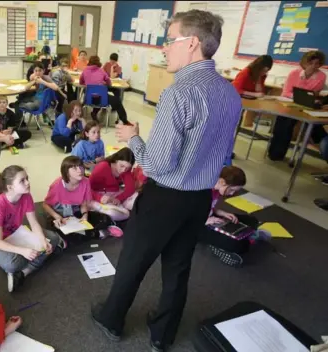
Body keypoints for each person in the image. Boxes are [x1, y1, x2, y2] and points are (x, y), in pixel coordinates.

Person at [91, 10, 241, 351]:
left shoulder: (179, 92)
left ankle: (111, 318)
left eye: (170, 40)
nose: (164, 49)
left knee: (133, 263)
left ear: (192, 44)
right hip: (199, 197)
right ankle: (163, 333)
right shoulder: (230, 93)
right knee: (178, 267)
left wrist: (132, 138)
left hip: (165, 198)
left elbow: (157, 165)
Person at [0, 165, 66, 292]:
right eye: (22, 180)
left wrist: (43, 240)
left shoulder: (26, 196)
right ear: (10, 187)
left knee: (52, 239)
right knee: (12, 264)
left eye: (27, 178)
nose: (28, 183)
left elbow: (34, 224)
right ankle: (25, 266)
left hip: (17, 233)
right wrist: (23, 251)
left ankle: (23, 273)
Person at [198, 166, 268, 268]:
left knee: (251, 220)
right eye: (231, 190)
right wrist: (205, 220)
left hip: (210, 217)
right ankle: (218, 246)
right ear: (222, 181)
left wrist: (222, 213)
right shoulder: (202, 189)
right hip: (196, 225)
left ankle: (245, 237)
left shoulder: (217, 190)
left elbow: (210, 206)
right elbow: (184, 214)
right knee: (241, 246)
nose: (231, 193)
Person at [43, 156, 119, 242]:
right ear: (66, 172)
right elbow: (45, 205)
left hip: (75, 213)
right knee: (64, 233)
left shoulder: (85, 182)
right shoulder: (57, 185)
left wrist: (85, 216)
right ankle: (97, 234)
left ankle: (93, 232)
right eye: (74, 168)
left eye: (81, 166)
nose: (80, 170)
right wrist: (57, 216)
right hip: (59, 214)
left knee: (105, 218)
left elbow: (84, 203)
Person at [268, 51, 327, 161]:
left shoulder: (321, 76)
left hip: (306, 106)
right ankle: (276, 154)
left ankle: (321, 147)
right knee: (284, 126)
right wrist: (303, 79)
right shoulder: (294, 73)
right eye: (311, 63)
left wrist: (308, 98)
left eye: (317, 64)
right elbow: (286, 92)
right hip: (289, 104)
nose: (314, 66)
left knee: (315, 126)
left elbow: (313, 94)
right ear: (305, 63)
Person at [89, 148, 137, 222]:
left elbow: (130, 188)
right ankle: (112, 210)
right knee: (114, 213)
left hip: (114, 194)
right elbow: (86, 189)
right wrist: (99, 198)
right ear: (116, 160)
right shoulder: (102, 167)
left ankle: (118, 209)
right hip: (98, 196)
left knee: (137, 197)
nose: (124, 170)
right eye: (122, 166)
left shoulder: (125, 170)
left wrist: (118, 198)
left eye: (127, 168)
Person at [80, 55, 129, 125]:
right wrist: (103, 82)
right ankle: (124, 120)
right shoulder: (101, 71)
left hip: (88, 99)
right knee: (117, 101)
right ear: (98, 62)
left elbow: (81, 82)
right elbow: (109, 83)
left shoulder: (85, 70)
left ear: (90, 62)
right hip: (101, 99)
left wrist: (88, 82)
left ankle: (94, 113)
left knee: (95, 96)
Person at [232, 55, 273, 127]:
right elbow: (235, 89)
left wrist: (259, 78)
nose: (264, 72)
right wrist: (254, 94)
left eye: (266, 71)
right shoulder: (246, 72)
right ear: (257, 67)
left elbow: (260, 91)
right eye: (263, 70)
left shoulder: (262, 75)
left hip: (246, 99)